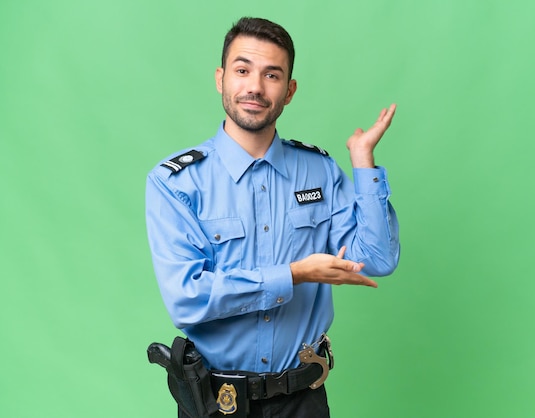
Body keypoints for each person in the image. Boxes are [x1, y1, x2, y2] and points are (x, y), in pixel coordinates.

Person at [145, 16, 400, 418]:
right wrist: (294, 273)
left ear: (289, 90)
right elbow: (187, 298)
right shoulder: (176, 183)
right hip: (215, 402)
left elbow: (378, 259)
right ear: (221, 78)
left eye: (272, 75)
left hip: (303, 399)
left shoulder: (319, 171)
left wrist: (363, 164)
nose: (255, 87)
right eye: (242, 70)